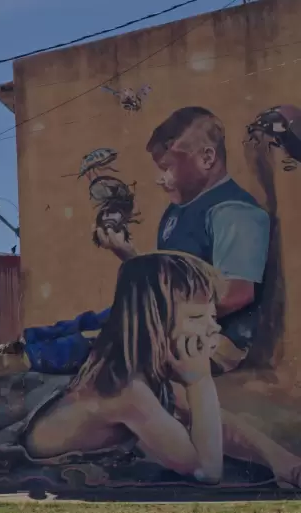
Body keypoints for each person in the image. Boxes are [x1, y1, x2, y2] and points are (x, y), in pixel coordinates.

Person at [22, 252, 301, 487]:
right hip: (42, 465)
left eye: (212, 315)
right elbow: (207, 471)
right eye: (196, 317)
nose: (213, 327)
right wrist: (200, 381)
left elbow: (220, 424)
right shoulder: (127, 392)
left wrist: (286, 463)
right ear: (152, 326)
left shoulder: (145, 374)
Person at [95, 107, 271, 374]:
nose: (161, 179)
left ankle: (30, 356)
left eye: (168, 168)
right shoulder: (178, 210)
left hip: (213, 341)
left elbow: (236, 295)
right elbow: (171, 282)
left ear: (207, 158)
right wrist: (129, 255)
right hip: (172, 323)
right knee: (89, 323)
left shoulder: (233, 212)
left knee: (94, 345)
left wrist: (156, 317)